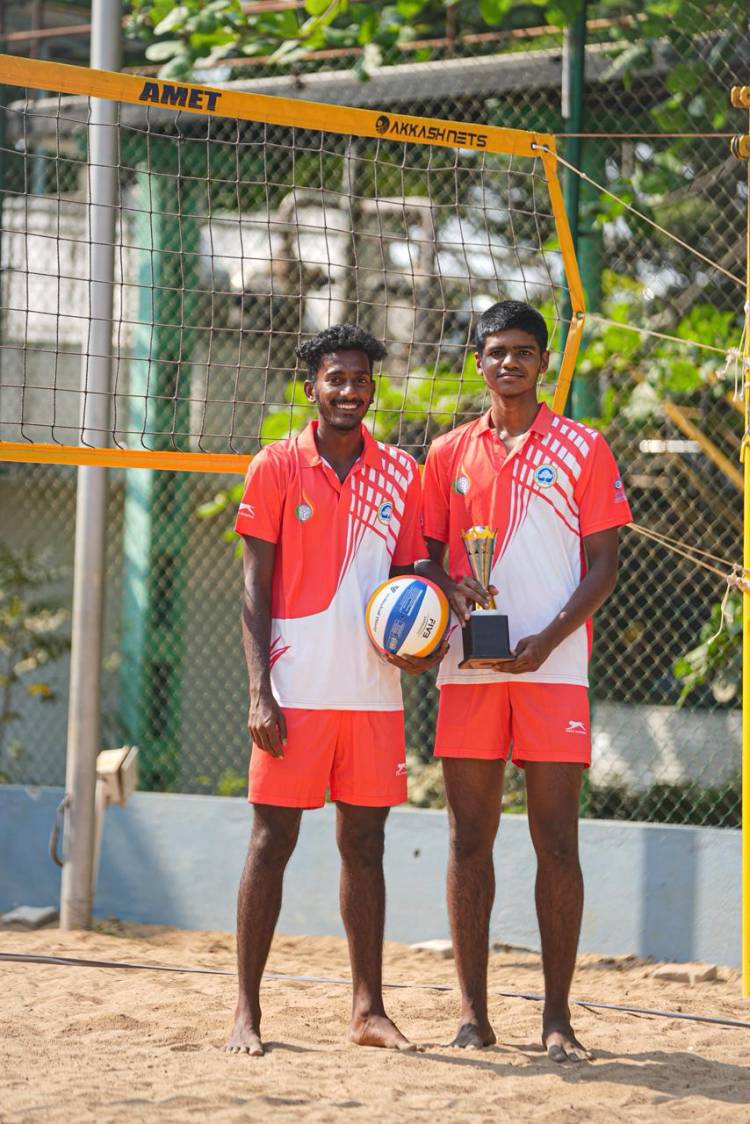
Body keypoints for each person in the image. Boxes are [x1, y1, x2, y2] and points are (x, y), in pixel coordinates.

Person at [417, 300, 632, 1062]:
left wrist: (548, 639)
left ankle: (558, 1018)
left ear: (544, 362)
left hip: (554, 667)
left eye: (521, 351)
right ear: (477, 361)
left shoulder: (583, 446)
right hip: (469, 668)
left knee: (557, 845)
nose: (507, 361)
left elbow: (605, 563)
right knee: (468, 839)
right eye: (494, 350)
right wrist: (446, 586)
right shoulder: (446, 453)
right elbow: (424, 557)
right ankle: (473, 1017)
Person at [226, 323, 445, 1057]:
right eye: (335, 378)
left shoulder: (401, 473)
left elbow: (413, 582)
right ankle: (246, 1013)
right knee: (271, 841)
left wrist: (426, 644)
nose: (349, 390)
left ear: (372, 389)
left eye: (360, 379)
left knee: (367, 844)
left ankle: (367, 1011)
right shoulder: (276, 465)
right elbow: (253, 593)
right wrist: (261, 691)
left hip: (373, 691)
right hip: (296, 688)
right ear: (312, 386)